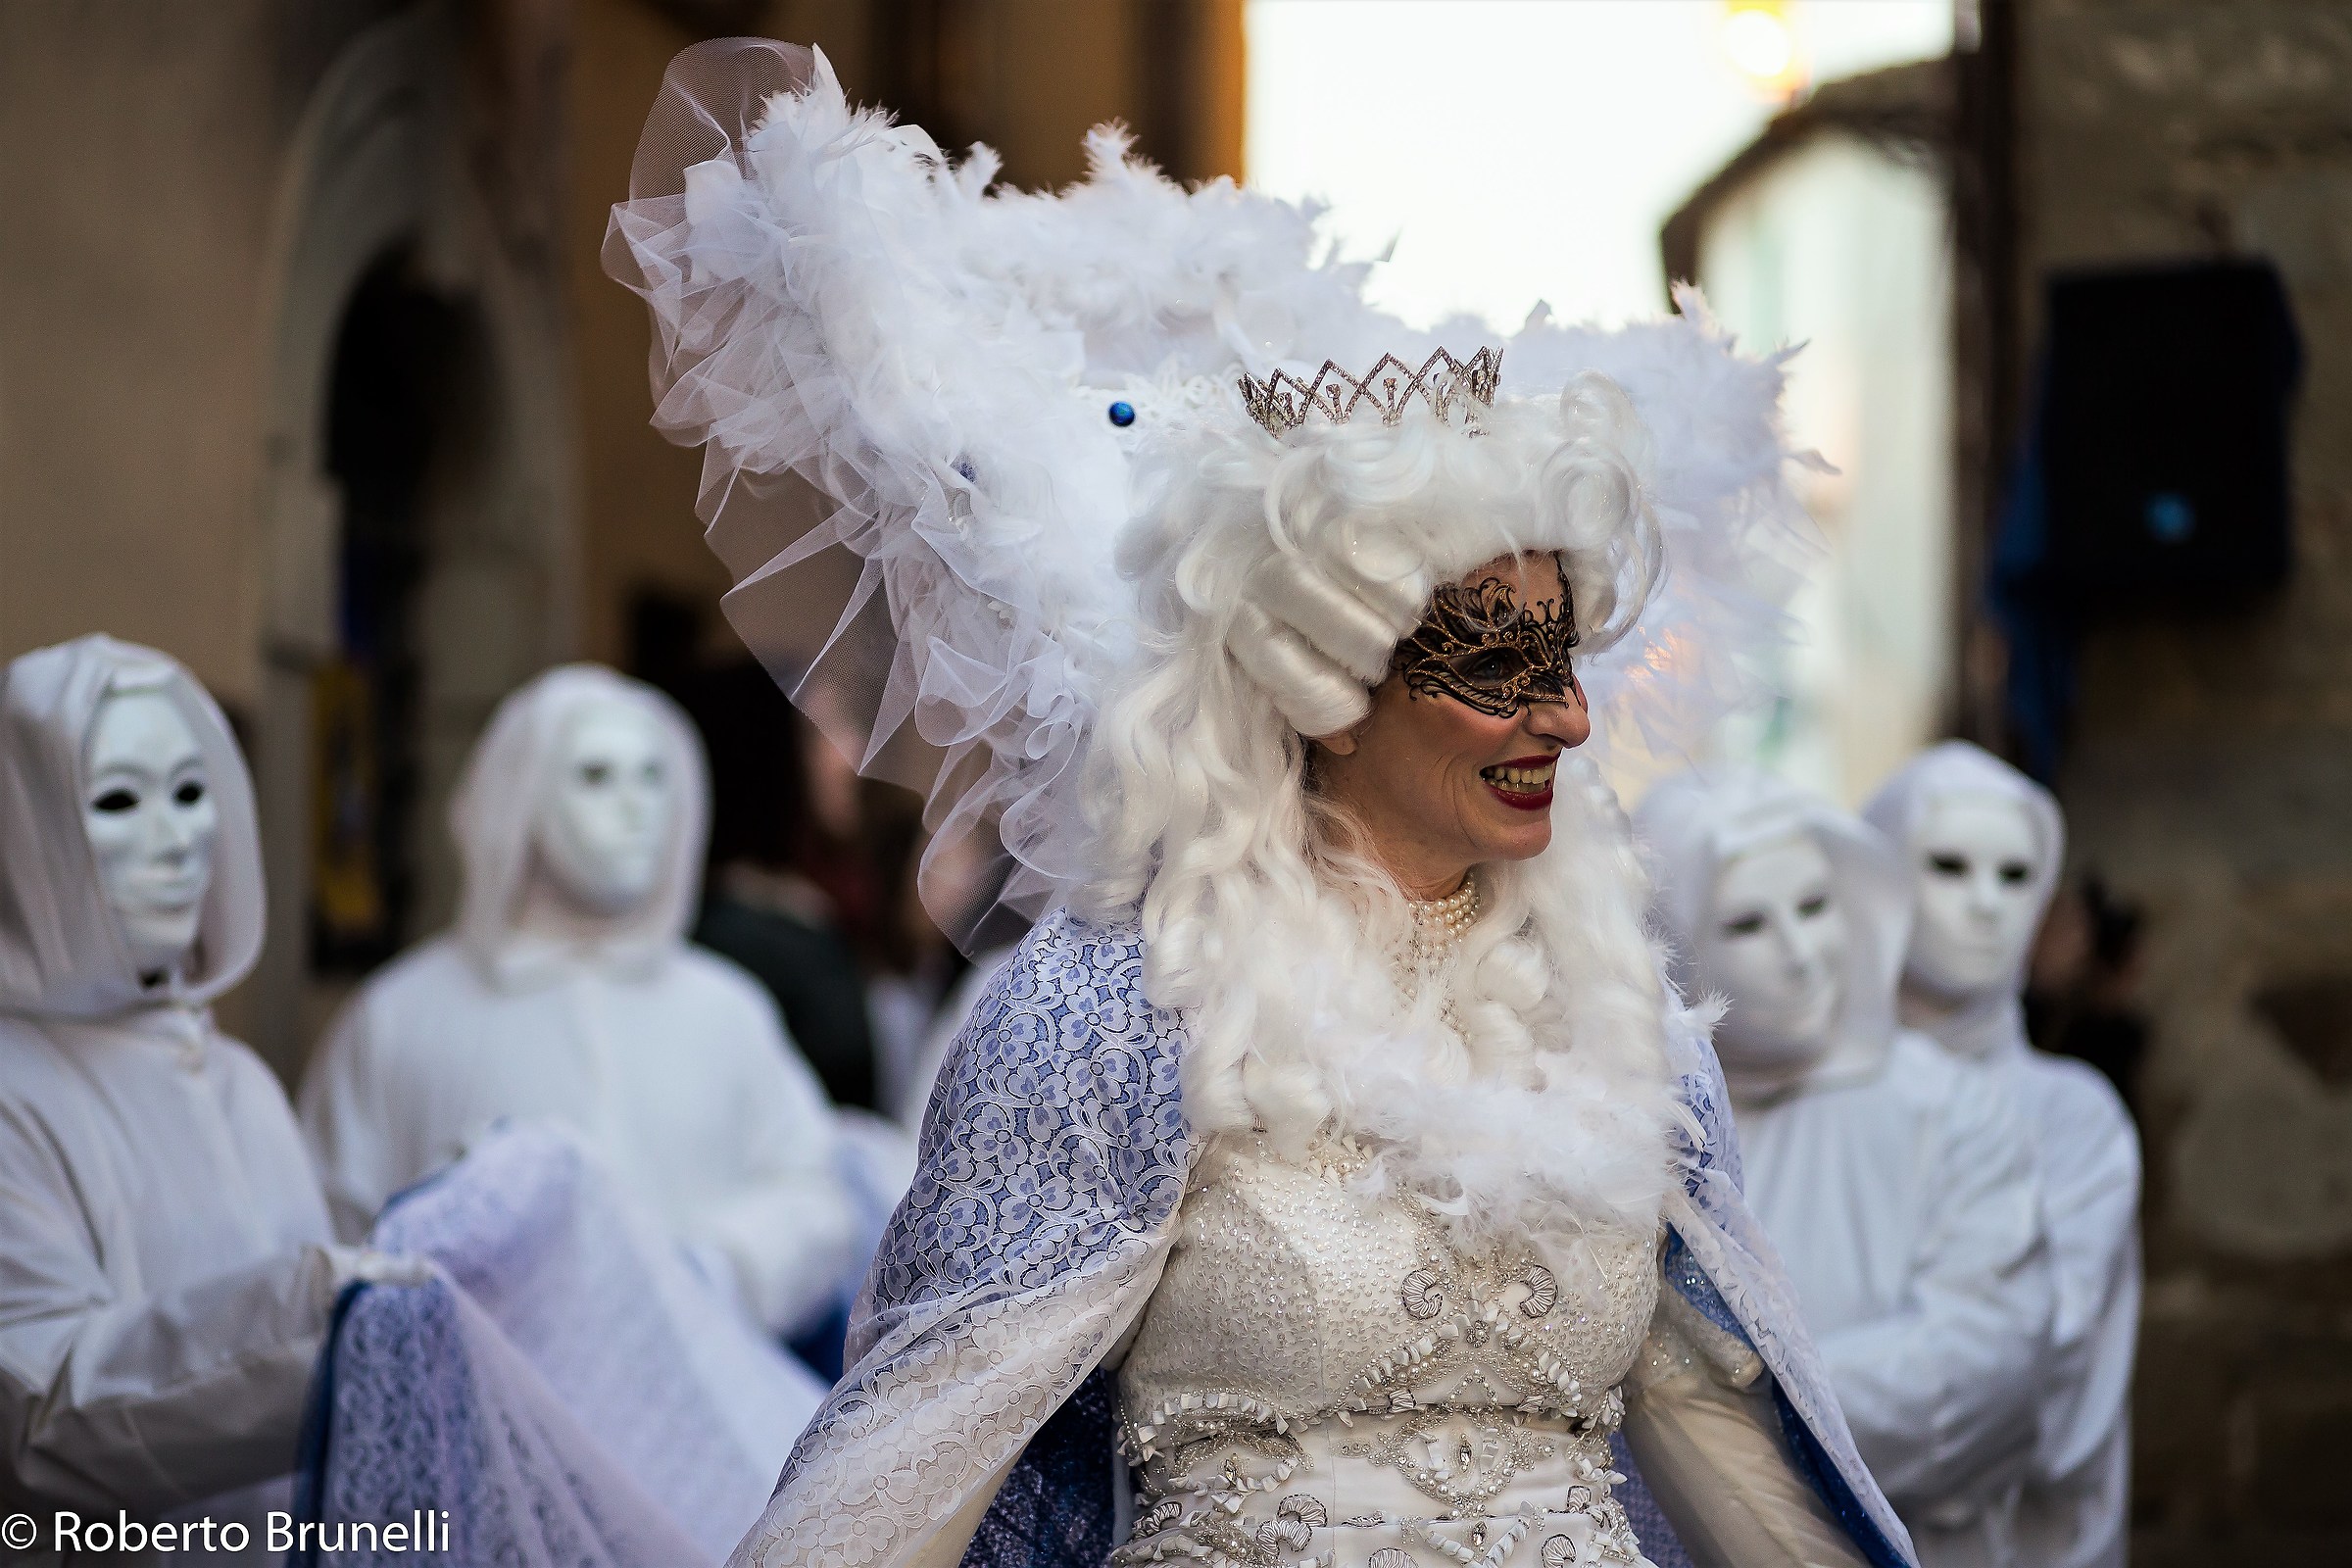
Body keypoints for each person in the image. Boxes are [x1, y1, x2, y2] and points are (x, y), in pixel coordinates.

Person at [608, 39, 1918, 1568]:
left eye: (1566, 659)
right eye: (1494, 664)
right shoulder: (1118, 1012)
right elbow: (905, 1464)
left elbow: (1730, 1448)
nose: (1564, 714)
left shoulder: (1612, 1016)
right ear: (1323, 685)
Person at [299, 662, 859, 1344]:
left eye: (653, 777)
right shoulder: (401, 1018)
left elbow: (816, 1196)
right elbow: (331, 1233)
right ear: (521, 798)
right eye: (594, 777)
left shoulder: (727, 1011)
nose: (635, 807)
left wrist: (715, 1267)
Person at [0, 634, 412, 1540]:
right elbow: (36, 1416)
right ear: (25, 824)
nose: (176, 840)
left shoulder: (239, 1079)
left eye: (191, 793)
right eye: (116, 800)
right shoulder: (12, 1088)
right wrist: (312, 1321)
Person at [1637, 770, 2056, 1568]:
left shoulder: (1950, 1109)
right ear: (1679, 942)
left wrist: (1738, 1398)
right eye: (1750, 923)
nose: (1801, 956)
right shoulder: (1650, 1133)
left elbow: (1983, 1362)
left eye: (1816, 906)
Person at [1865, 745, 2141, 1568]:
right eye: (1948, 867)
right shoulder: (1807, 1105)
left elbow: (2033, 1382)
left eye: (2017, 876)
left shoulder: (2074, 1119)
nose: (1987, 906)